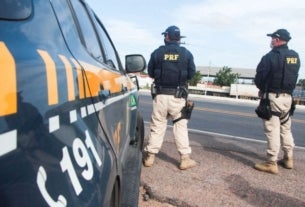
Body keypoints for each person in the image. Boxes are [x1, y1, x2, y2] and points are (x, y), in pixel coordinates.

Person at [143, 25, 197, 170]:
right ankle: (185, 158)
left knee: (158, 126)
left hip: (160, 96)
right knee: (180, 126)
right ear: (178, 38)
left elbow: (150, 72)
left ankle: (150, 157)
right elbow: (191, 74)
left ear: (167, 37)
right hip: (178, 97)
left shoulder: (157, 53)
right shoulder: (186, 54)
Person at [254, 29, 300, 174]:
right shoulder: (295, 56)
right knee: (285, 128)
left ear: (278, 40)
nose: (271, 40)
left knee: (272, 129)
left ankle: (271, 162)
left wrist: (261, 88)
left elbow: (260, 76)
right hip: (288, 98)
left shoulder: (270, 56)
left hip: (273, 97)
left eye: (273, 38)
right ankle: (288, 158)